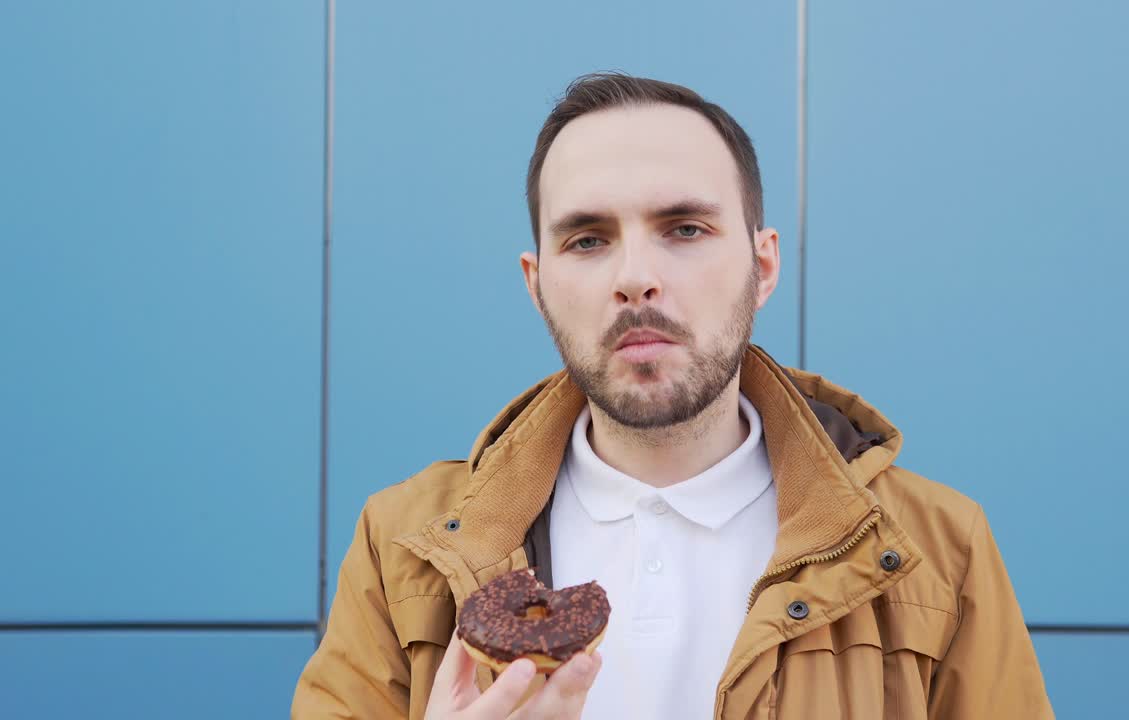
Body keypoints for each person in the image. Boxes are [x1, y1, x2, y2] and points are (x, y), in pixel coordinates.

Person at [291, 72, 1054, 720]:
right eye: (587, 239)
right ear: (538, 286)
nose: (635, 275)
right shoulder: (403, 546)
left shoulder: (939, 547)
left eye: (684, 228)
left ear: (762, 266)